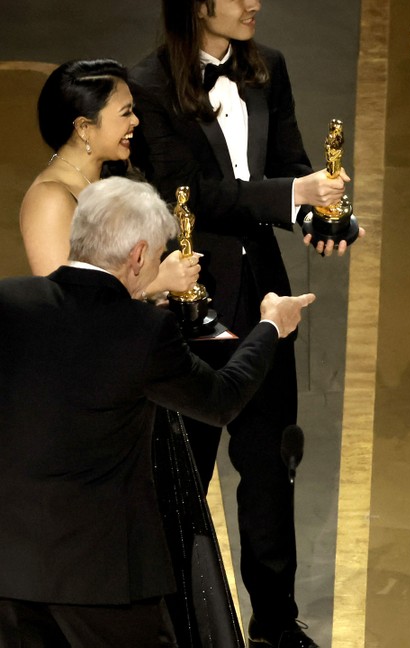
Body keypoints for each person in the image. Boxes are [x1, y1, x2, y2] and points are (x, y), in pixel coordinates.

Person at [129, 1, 359, 645]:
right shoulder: (147, 85)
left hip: (264, 293)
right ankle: (180, 629)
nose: (253, 1)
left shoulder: (267, 68)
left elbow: (290, 160)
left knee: (268, 467)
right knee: (186, 475)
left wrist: (316, 220)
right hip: (192, 302)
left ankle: (276, 626)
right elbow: (191, 192)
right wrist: (296, 195)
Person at [0, 177, 314, 648]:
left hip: (11, 570)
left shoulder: (9, 303)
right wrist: (270, 326)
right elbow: (221, 399)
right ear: (140, 255)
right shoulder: (143, 332)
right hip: (103, 579)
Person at [19, 58, 198, 296]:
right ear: (84, 127)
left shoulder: (111, 181)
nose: (136, 121)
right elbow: (66, 306)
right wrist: (157, 283)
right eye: (125, 113)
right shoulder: (49, 200)